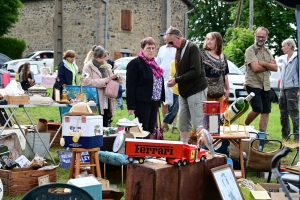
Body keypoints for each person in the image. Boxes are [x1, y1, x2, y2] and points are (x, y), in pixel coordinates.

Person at [165, 26, 207, 144]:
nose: (170, 45)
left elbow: (196, 71)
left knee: (198, 122)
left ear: (178, 38)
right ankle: (184, 146)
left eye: (171, 42)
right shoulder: (179, 49)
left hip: (196, 89)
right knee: (183, 122)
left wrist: (177, 80)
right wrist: (174, 79)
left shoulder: (192, 47)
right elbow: (180, 69)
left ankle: (202, 150)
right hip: (184, 91)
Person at [244, 27, 278, 141]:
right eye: (258, 36)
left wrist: (263, 63)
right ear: (255, 35)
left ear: (266, 37)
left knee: (266, 110)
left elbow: (276, 68)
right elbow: (255, 68)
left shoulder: (268, 51)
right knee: (257, 108)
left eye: (262, 37)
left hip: (265, 84)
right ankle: (244, 127)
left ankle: (262, 136)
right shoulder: (250, 50)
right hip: (253, 84)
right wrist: (268, 65)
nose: (260, 38)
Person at [126, 37, 165, 135]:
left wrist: (159, 102)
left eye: (153, 48)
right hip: (142, 102)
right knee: (143, 129)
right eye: (148, 48)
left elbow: (158, 83)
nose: (151, 51)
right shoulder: (135, 64)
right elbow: (130, 86)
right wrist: (131, 106)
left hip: (154, 101)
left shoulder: (154, 64)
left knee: (151, 129)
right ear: (142, 49)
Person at [82, 45, 119, 127]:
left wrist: (115, 78)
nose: (103, 60)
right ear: (95, 57)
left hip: (107, 100)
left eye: (104, 58)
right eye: (101, 58)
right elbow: (86, 82)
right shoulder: (88, 67)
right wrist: (105, 81)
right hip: (95, 101)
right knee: (95, 127)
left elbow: (110, 79)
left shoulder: (107, 66)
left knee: (105, 125)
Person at [200, 32, 230, 108]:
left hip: (219, 91)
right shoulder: (201, 54)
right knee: (208, 115)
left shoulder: (222, 56)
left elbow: (225, 74)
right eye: (207, 39)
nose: (208, 41)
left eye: (212, 39)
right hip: (205, 91)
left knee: (219, 115)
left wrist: (227, 89)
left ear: (218, 41)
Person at [156, 32, 177, 132]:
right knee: (164, 103)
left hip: (174, 80)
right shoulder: (161, 49)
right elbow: (158, 63)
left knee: (174, 104)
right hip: (163, 79)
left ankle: (174, 125)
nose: (165, 40)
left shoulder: (176, 49)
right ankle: (165, 125)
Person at [279, 38, 299, 142]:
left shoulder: (297, 58)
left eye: (284, 46)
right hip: (283, 89)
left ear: (290, 46)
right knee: (283, 114)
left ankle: (297, 136)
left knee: (294, 114)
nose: (282, 48)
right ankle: (285, 136)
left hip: (293, 88)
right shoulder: (283, 58)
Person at [161, 60, 179, 134]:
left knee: (186, 115)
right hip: (176, 90)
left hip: (187, 91)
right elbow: (174, 76)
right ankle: (161, 128)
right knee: (173, 112)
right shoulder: (173, 63)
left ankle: (182, 136)